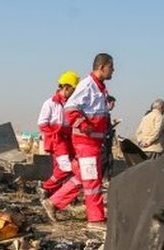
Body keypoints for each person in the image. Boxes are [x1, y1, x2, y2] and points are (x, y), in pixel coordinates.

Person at [44, 52, 115, 225]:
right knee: (92, 181)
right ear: (101, 67)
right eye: (111, 67)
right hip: (86, 142)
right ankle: (96, 219)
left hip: (93, 142)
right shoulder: (88, 85)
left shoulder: (98, 88)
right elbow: (70, 108)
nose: (113, 70)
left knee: (85, 177)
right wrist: (84, 125)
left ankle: (52, 202)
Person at [36, 70, 78, 197]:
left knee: (60, 167)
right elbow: (42, 123)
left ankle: (54, 193)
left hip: (69, 138)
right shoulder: (50, 103)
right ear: (66, 87)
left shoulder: (72, 103)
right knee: (66, 167)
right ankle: (46, 187)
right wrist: (54, 135)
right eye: (73, 89)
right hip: (57, 138)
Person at [101, 95, 119, 180]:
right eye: (112, 103)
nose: (113, 106)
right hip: (104, 142)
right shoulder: (103, 114)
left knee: (110, 161)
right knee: (104, 161)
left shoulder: (107, 114)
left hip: (108, 142)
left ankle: (107, 178)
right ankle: (101, 179)